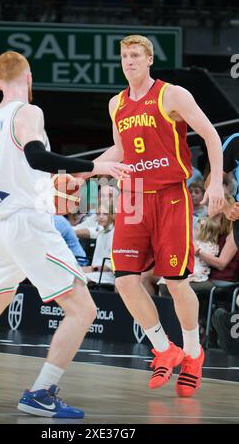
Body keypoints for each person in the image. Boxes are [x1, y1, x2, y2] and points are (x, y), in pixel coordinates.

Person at [0, 51, 130, 418]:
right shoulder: (28, 111)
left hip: (2, 224)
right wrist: (97, 165)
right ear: (29, 77)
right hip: (29, 224)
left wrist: (32, 188)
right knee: (83, 310)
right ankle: (41, 392)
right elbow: (38, 158)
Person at [92, 34, 225, 397]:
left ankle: (194, 354)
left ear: (149, 59)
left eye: (136, 55)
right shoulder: (116, 103)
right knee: (124, 280)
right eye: (124, 56)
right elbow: (120, 149)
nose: (129, 61)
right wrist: (82, 171)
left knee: (176, 281)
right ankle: (164, 348)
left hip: (170, 196)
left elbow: (211, 136)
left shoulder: (172, 95)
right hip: (133, 197)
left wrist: (214, 182)